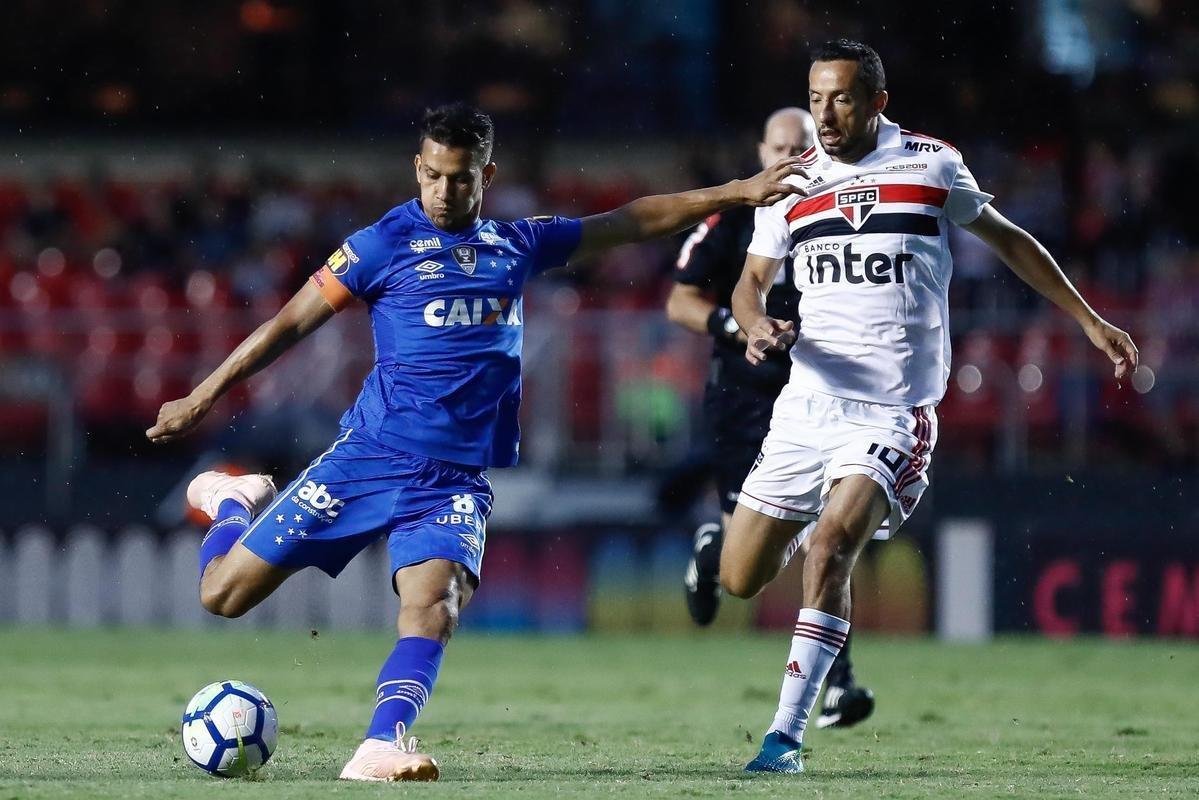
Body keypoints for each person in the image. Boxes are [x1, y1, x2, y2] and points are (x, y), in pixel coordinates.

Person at [146, 102, 805, 782]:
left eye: (459, 179)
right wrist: (203, 394)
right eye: (431, 175)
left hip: (455, 479)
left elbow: (630, 220)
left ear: (484, 175)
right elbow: (288, 325)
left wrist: (736, 191)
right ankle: (232, 498)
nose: (443, 191)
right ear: (417, 168)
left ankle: (380, 744)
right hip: (369, 459)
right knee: (221, 596)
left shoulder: (517, 243)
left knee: (434, 607)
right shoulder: (380, 244)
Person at [724, 40, 1139, 774]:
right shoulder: (790, 183)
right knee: (738, 578)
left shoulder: (929, 163)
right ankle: (769, 539)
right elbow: (750, 282)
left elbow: (1008, 241)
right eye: (816, 98)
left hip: (890, 411)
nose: (825, 114)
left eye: (842, 99)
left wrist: (1086, 318)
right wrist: (756, 323)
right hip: (805, 407)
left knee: (830, 549)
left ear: (877, 102)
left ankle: (783, 738)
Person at [669, 106, 874, 729]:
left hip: (820, 396)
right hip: (746, 399)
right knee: (748, 563)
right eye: (780, 146)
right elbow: (679, 299)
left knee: (829, 537)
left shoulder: (847, 205)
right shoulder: (732, 220)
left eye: (801, 145)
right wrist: (735, 324)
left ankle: (838, 686)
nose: (790, 156)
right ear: (761, 151)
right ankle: (713, 551)